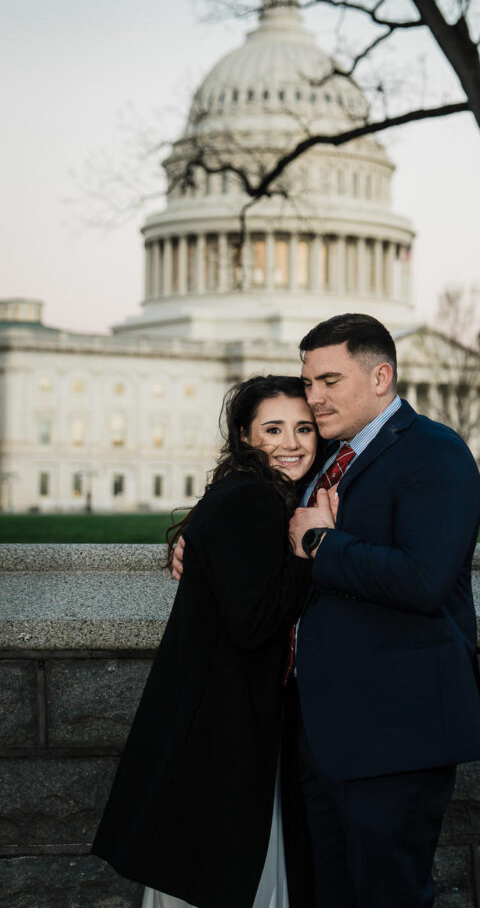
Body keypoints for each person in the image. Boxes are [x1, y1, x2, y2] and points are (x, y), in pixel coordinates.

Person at [174, 313, 480, 908]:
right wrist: (198, 540)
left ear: (380, 377)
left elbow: (423, 580)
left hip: (397, 732)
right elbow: (265, 523)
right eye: (308, 381)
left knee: (387, 896)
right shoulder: (328, 459)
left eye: (328, 381)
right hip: (321, 735)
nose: (312, 398)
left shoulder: (435, 454)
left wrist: (323, 544)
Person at [92, 375, 320, 908]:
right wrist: (310, 550)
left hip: (219, 721)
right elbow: (254, 619)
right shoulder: (254, 498)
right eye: (274, 428)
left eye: (304, 428)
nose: (291, 442)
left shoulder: (252, 493)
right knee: (226, 876)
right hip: (224, 726)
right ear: (244, 435)